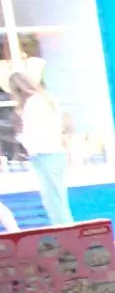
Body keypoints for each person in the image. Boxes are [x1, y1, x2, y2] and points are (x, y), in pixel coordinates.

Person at [9, 74, 71, 228]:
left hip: (44, 154)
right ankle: (66, 230)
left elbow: (32, 132)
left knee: (53, 200)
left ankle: (66, 231)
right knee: (57, 198)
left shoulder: (32, 104)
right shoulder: (46, 99)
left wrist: (21, 139)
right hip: (55, 151)